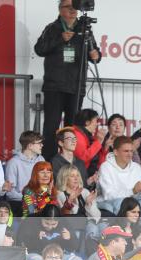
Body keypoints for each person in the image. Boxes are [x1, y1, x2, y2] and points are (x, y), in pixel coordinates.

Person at [34, 0, 101, 160]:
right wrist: (60, 39)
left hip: (76, 86)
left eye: (74, 7)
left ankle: (71, 160)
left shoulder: (85, 29)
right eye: (67, 7)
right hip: (54, 86)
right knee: (51, 126)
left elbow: (95, 54)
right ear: (60, 9)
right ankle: (49, 161)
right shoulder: (52, 28)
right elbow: (39, 49)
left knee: (73, 128)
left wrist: (95, 55)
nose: (72, 10)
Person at [98, 136, 141, 222]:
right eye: (126, 151)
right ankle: (124, 232)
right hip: (110, 203)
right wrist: (132, 191)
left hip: (132, 202)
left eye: (131, 151)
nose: (130, 154)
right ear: (116, 152)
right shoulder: (106, 167)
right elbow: (109, 195)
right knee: (123, 203)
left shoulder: (136, 167)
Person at [5, 131, 45, 212]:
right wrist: (30, 198)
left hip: (38, 201)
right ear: (30, 146)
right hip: (19, 203)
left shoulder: (41, 159)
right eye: (39, 143)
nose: (42, 145)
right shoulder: (13, 163)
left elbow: (45, 183)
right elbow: (10, 193)